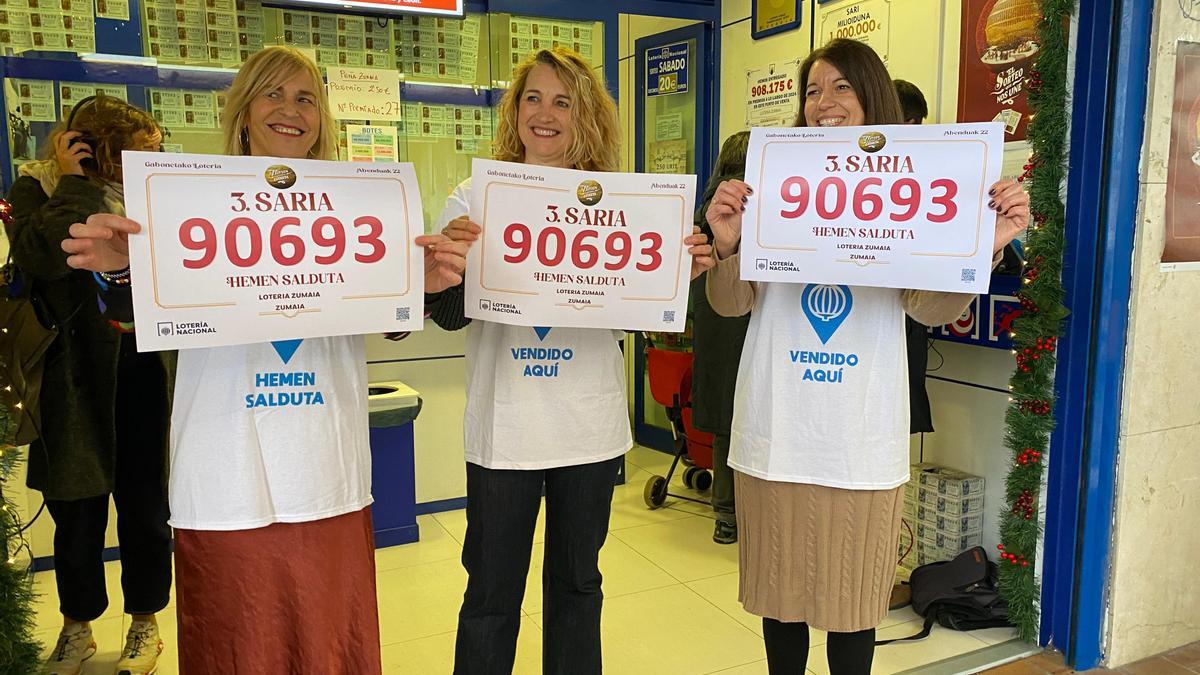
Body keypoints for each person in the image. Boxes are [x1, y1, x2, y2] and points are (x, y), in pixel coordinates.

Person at [59, 46, 469, 674]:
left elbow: (388, 322)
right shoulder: (188, 200)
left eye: (306, 98)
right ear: (244, 111)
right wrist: (119, 271)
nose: (290, 110)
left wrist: (423, 286)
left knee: (327, 641)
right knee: (239, 641)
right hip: (226, 469)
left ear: (322, 117)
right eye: (272, 93)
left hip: (325, 465)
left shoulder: (357, 205)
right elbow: (133, 318)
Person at [704, 39, 1030, 674]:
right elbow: (730, 303)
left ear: (872, 96)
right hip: (777, 425)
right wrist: (726, 246)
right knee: (780, 599)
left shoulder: (908, 190)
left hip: (858, 435)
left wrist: (984, 247)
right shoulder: (772, 188)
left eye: (842, 87)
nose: (823, 102)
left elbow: (928, 308)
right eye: (812, 90)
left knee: (854, 605)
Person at [427, 47, 713, 674]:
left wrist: (675, 279)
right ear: (515, 110)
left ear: (587, 117)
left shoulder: (620, 205)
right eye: (533, 98)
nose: (546, 114)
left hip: (587, 426)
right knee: (491, 591)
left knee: (578, 585)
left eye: (564, 102)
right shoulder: (475, 197)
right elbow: (448, 317)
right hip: (505, 428)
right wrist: (446, 270)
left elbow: (635, 316)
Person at [5, 94, 172, 675]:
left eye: (151, 151)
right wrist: (76, 183)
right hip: (70, 380)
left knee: (146, 509)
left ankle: (145, 621)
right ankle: (77, 627)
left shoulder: (153, 190)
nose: (143, 162)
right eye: (129, 153)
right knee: (76, 514)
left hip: (143, 369)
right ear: (89, 148)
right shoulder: (39, 187)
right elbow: (39, 256)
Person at [689, 130, 751, 544]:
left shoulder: (705, 209)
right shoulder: (743, 207)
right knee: (741, 418)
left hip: (713, 324)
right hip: (738, 320)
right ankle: (734, 513)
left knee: (727, 422)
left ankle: (725, 514)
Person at [893, 78, 936, 436]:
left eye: (917, 123)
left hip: (910, 311)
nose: (912, 130)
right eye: (908, 121)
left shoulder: (927, 172)